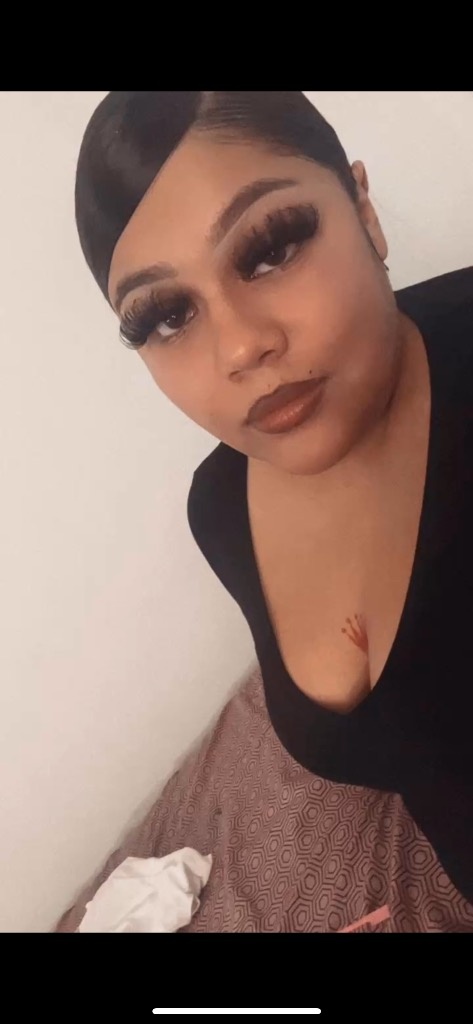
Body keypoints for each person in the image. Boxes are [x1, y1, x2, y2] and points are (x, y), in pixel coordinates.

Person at [75, 91, 473, 925]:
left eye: (268, 250)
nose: (239, 345)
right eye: (166, 316)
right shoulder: (221, 507)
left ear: (364, 212)